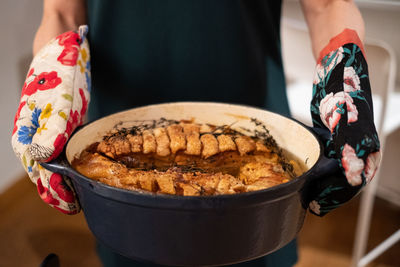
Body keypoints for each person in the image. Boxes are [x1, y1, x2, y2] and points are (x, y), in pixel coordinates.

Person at [12, 0, 381, 266]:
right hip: (114, 161)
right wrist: (51, 85)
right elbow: (60, 11)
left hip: (267, 160)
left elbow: (326, 4)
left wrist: (344, 77)